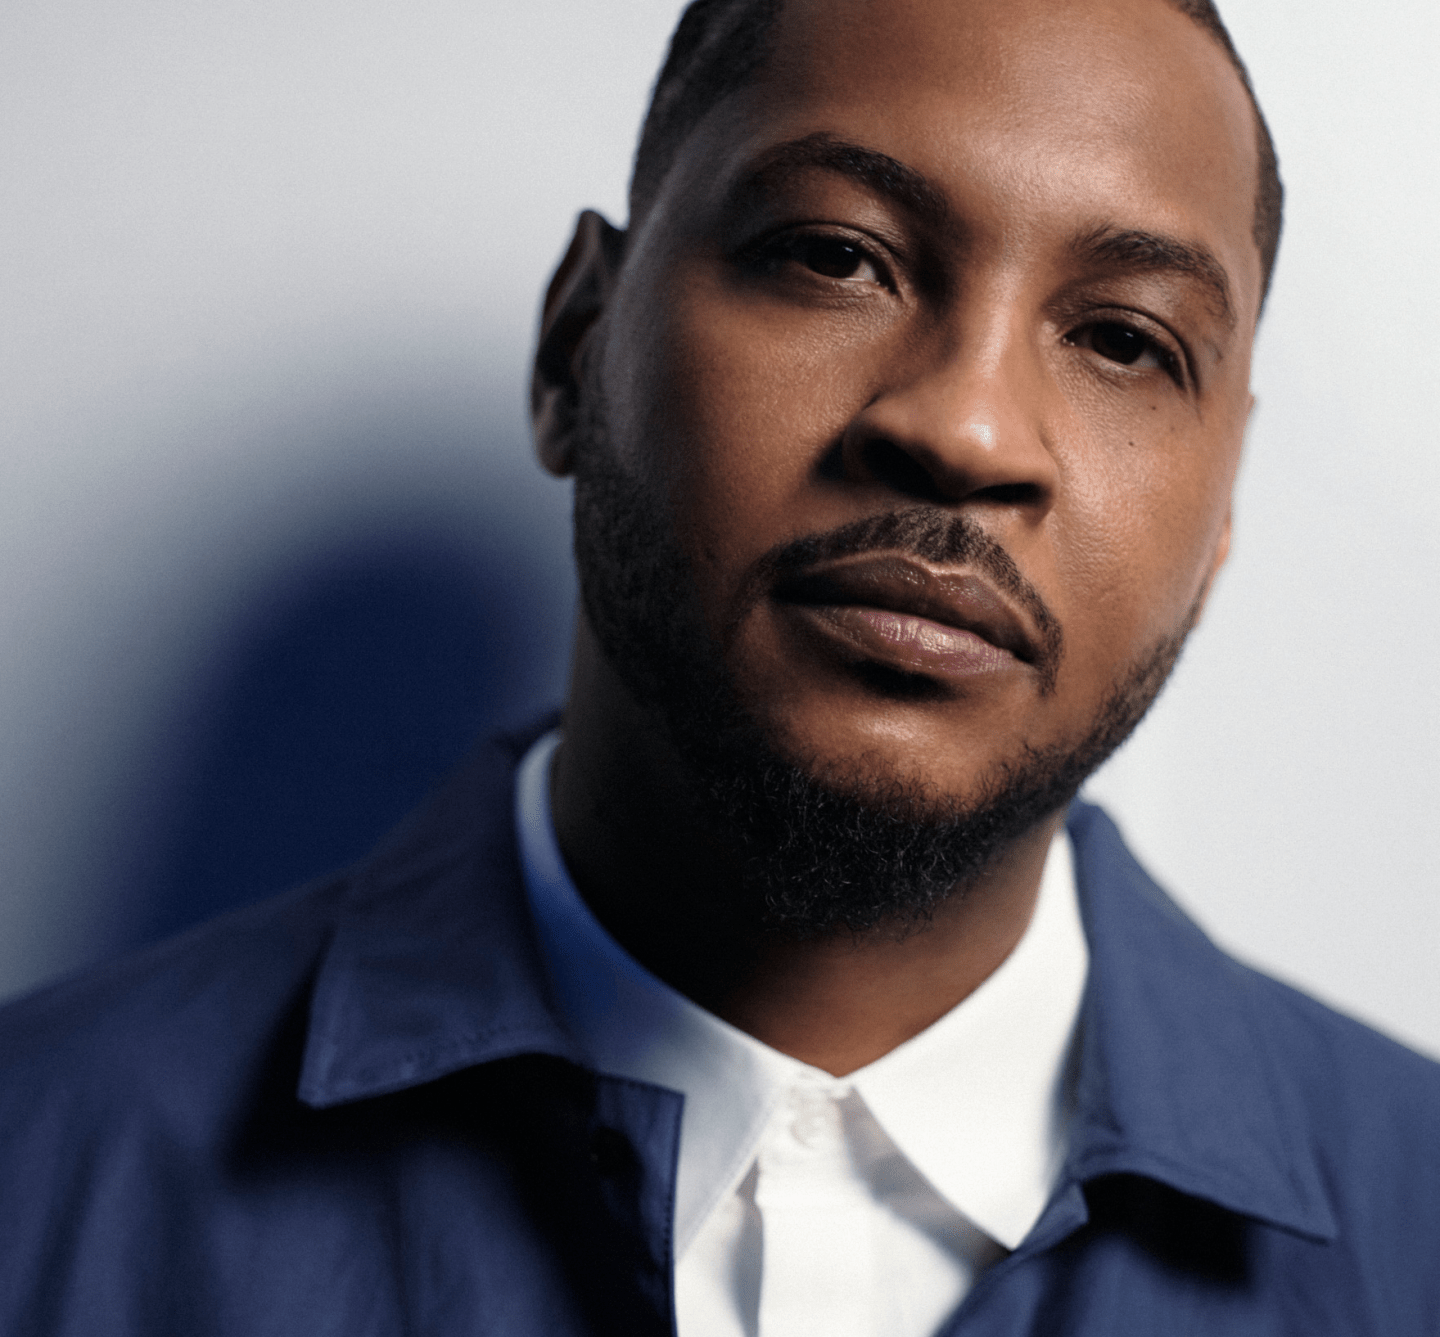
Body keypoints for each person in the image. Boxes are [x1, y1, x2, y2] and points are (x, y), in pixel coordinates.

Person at [2, 0, 1437, 1332]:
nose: (969, 431)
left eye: (1126, 341)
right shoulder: (38, 1173)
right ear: (577, 346)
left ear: (1225, 508)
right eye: (837, 256)